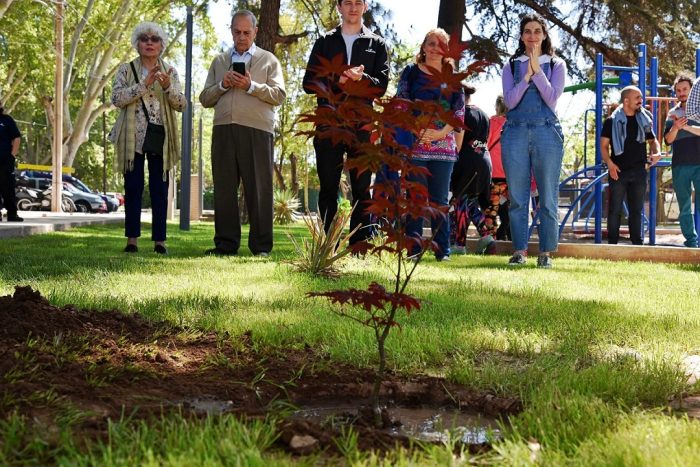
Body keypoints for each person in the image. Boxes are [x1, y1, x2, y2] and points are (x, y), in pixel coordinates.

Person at [303, 0, 389, 245]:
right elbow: (309, 82)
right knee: (328, 184)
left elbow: (380, 87)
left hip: (362, 124)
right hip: (329, 121)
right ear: (339, 7)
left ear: (365, 6)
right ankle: (327, 244)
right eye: (347, 3)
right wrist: (337, 78)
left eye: (358, 2)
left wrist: (362, 79)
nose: (353, 7)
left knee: (362, 187)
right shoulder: (324, 42)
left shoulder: (377, 44)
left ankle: (359, 245)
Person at [199, 10, 286, 257]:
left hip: (257, 131)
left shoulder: (268, 60)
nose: (241, 37)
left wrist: (251, 86)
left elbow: (279, 95)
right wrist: (222, 85)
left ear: (255, 32)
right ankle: (225, 245)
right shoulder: (219, 61)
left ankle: (261, 247)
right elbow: (205, 98)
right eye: (237, 32)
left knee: (259, 190)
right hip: (224, 130)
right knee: (224, 189)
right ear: (231, 31)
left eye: (247, 32)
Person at [110, 22, 185, 254]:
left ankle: (160, 241)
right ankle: (132, 240)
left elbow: (182, 104)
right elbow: (116, 98)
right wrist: (144, 85)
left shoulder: (170, 71)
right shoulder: (126, 69)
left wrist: (168, 87)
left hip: (160, 137)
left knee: (159, 190)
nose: (149, 43)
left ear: (162, 45)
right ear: (137, 44)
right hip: (132, 137)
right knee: (133, 188)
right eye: (144, 38)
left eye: (154, 39)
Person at [501, 13, 566, 268]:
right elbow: (510, 101)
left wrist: (537, 71)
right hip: (515, 131)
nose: (532, 36)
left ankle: (546, 253)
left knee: (548, 196)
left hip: (546, 131)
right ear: (521, 36)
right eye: (527, 31)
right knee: (518, 197)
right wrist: (526, 75)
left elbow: (551, 98)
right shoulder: (511, 65)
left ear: (544, 34)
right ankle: (519, 251)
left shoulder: (556, 64)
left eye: (537, 31)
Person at [398, 28, 465, 261]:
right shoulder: (411, 73)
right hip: (415, 142)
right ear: (424, 47)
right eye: (431, 43)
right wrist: (416, 129)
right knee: (415, 198)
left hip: (443, 144)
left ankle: (442, 251)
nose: (436, 48)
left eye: (441, 44)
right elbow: (402, 103)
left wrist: (441, 132)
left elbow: (458, 112)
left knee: (439, 200)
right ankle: (413, 250)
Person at [600, 85, 661, 245]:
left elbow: (653, 141)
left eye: (641, 98)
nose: (641, 101)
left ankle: (637, 245)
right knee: (615, 210)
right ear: (626, 101)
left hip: (639, 171)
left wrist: (657, 152)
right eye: (638, 98)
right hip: (617, 171)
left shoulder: (644, 118)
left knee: (636, 211)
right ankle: (612, 246)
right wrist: (610, 164)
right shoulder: (611, 121)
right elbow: (604, 146)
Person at [450, 84, 495, 255]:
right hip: (484, 160)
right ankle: (486, 236)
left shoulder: (462, 114)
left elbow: (458, 141)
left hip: (466, 161)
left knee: (461, 200)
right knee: (470, 202)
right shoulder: (483, 114)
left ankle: (460, 245)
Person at [665, 73, 700, 248]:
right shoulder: (672, 113)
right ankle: (691, 242)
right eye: (678, 90)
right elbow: (668, 140)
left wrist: (685, 126)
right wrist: (676, 127)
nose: (681, 93)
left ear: (692, 90)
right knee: (684, 207)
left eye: (685, 89)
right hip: (680, 165)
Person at [488, 95, 510, 240]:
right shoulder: (512, 124)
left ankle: (493, 240)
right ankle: (507, 236)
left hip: (493, 173)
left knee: (491, 212)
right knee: (509, 210)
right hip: (509, 175)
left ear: (497, 107)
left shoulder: (491, 122)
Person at [0, 102, 23, 222]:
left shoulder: (7, 120)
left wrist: (12, 155)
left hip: (5, 160)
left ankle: (12, 214)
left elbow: (17, 138)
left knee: (8, 186)